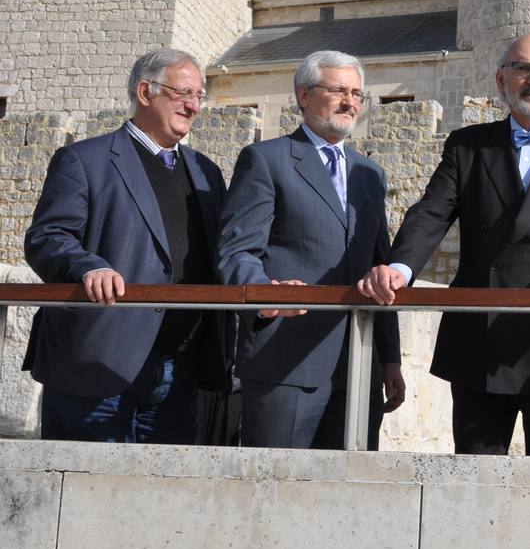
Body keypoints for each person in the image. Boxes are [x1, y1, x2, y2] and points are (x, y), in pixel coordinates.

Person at [357, 33, 530, 457]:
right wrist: (400, 268)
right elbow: (431, 213)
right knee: (473, 488)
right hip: (478, 345)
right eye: (523, 68)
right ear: (502, 79)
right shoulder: (467, 147)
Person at [23, 48, 232, 443]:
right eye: (183, 93)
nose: (193, 106)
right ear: (144, 92)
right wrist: (88, 267)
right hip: (99, 361)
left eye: (199, 96)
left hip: (180, 371)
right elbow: (46, 237)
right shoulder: (84, 160)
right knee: (86, 492)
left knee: (161, 496)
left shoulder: (207, 172)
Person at [217, 50, 404, 450]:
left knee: (348, 495)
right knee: (272, 488)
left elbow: (379, 264)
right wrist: (265, 295)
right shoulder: (266, 161)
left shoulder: (370, 175)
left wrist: (390, 358)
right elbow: (237, 251)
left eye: (356, 93)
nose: (350, 102)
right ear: (304, 95)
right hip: (285, 360)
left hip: (358, 363)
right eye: (337, 90)